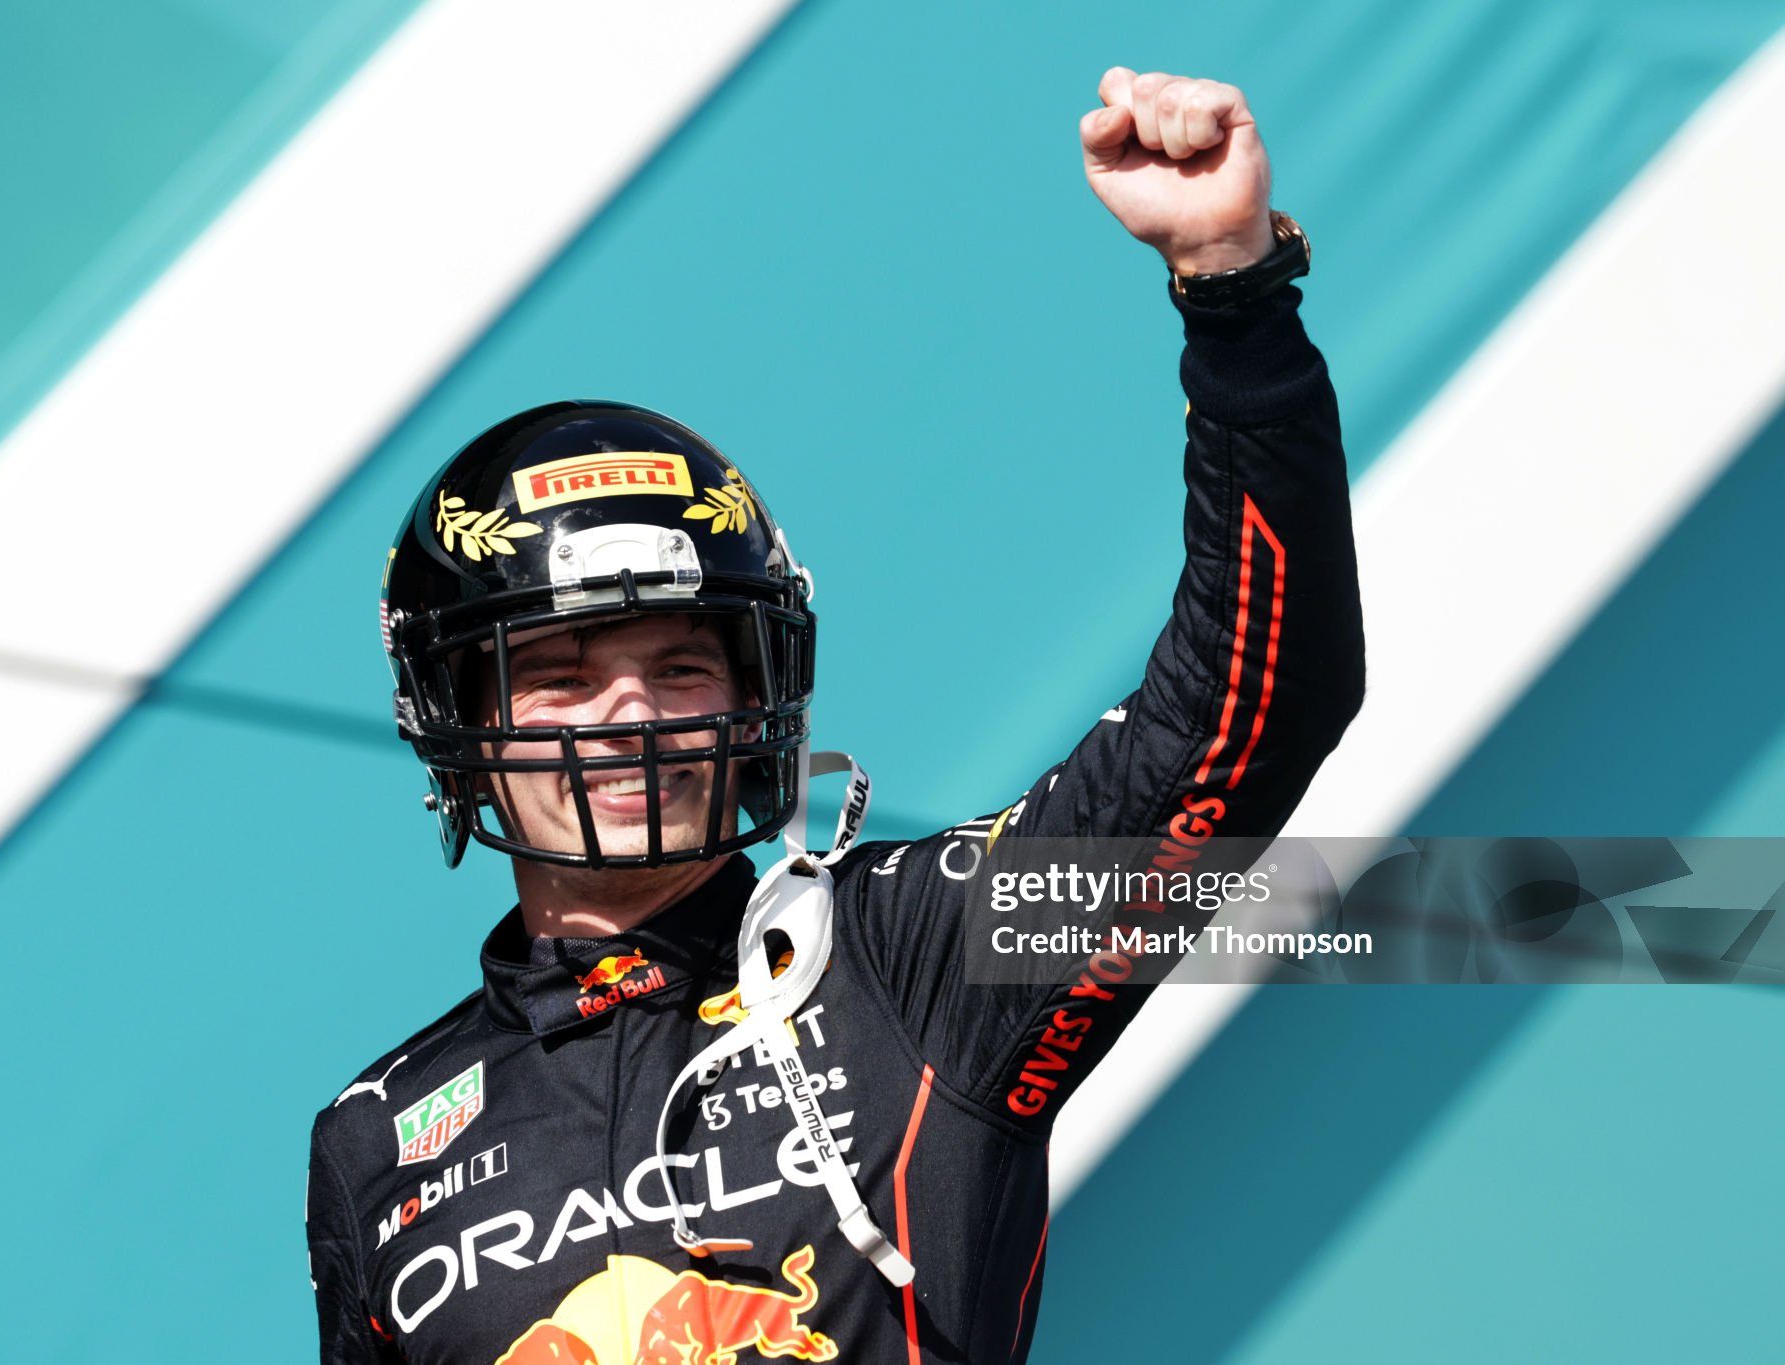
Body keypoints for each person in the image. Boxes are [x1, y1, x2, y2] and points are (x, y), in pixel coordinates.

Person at [307, 66, 1364, 1364]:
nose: (632, 705)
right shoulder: (373, 1137)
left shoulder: (911, 953)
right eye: (568, 668)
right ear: (455, 713)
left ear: (759, 687)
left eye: (684, 660)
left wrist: (1233, 285)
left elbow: (1246, 713)